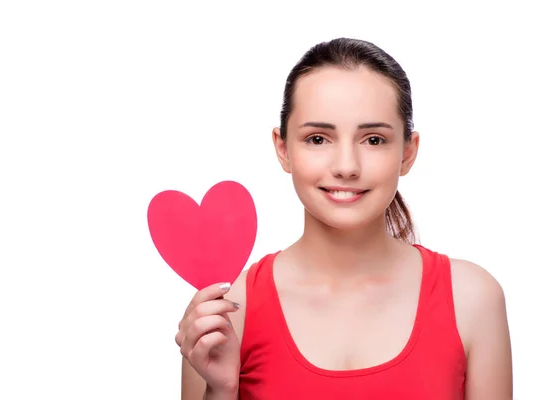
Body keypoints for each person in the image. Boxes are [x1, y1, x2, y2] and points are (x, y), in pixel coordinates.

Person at [175, 37, 513, 399]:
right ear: (283, 148)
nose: (347, 167)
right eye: (318, 139)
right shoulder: (228, 309)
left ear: (408, 152)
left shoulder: (472, 299)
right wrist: (220, 389)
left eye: (373, 140)